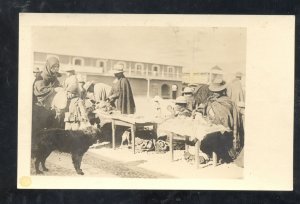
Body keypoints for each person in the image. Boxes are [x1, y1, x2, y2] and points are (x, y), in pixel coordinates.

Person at [199, 78, 241, 163]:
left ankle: (222, 156)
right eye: (213, 91)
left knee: (205, 143)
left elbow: (225, 120)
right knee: (204, 140)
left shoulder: (226, 102)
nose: (214, 93)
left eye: (217, 92)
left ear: (222, 91)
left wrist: (214, 122)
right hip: (217, 129)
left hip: (225, 133)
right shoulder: (214, 101)